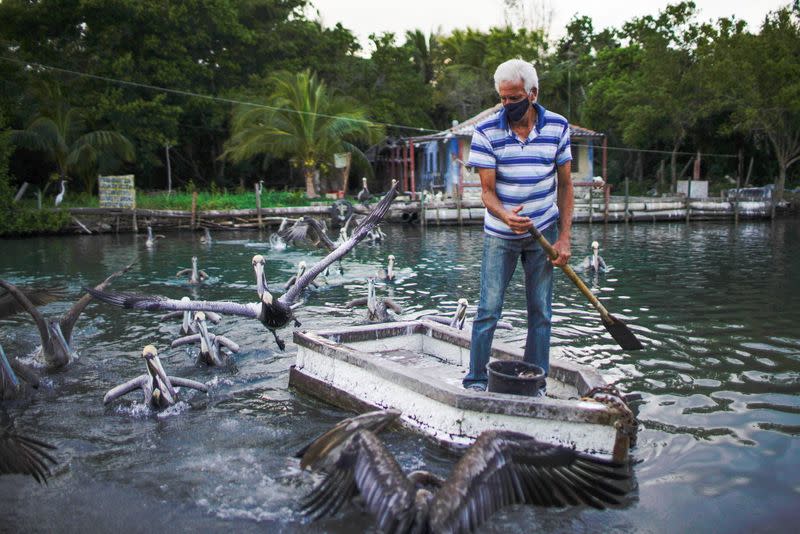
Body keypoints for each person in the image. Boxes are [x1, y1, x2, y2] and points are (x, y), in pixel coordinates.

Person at [462, 59, 573, 393]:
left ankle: (534, 381)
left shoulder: (557, 127)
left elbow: (566, 185)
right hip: (501, 233)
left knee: (541, 311)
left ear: (532, 93)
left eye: (513, 98)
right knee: (488, 309)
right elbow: (487, 192)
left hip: (545, 231)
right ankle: (477, 380)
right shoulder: (486, 131)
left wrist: (565, 237)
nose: (507, 105)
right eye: (502, 99)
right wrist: (506, 215)